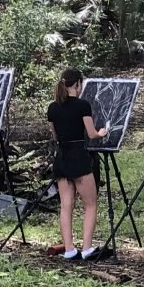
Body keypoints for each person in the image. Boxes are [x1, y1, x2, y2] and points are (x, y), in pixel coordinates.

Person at [47, 68, 105, 261]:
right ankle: (87, 248)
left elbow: (54, 135)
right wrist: (101, 133)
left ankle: (70, 249)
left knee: (66, 205)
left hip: (61, 157)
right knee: (90, 203)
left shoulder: (53, 108)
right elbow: (91, 134)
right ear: (78, 84)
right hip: (78, 157)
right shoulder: (82, 106)